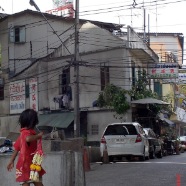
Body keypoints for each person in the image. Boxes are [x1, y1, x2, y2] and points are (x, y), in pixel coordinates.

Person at [7, 109, 46, 186]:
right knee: (31, 183)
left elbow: (17, 148)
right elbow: (28, 138)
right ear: (33, 121)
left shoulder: (26, 133)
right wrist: (38, 136)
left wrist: (11, 161)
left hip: (32, 164)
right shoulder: (25, 132)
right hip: (25, 165)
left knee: (37, 182)